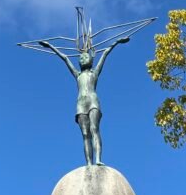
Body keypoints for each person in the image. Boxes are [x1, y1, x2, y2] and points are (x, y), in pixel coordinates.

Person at [38, 37, 129, 166]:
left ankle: (97, 159)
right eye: (80, 58)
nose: (83, 59)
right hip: (81, 104)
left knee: (94, 129)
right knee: (85, 134)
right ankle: (89, 163)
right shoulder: (78, 75)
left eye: (86, 57)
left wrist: (116, 42)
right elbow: (65, 58)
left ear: (91, 59)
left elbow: (105, 53)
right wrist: (50, 46)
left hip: (93, 101)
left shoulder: (94, 73)